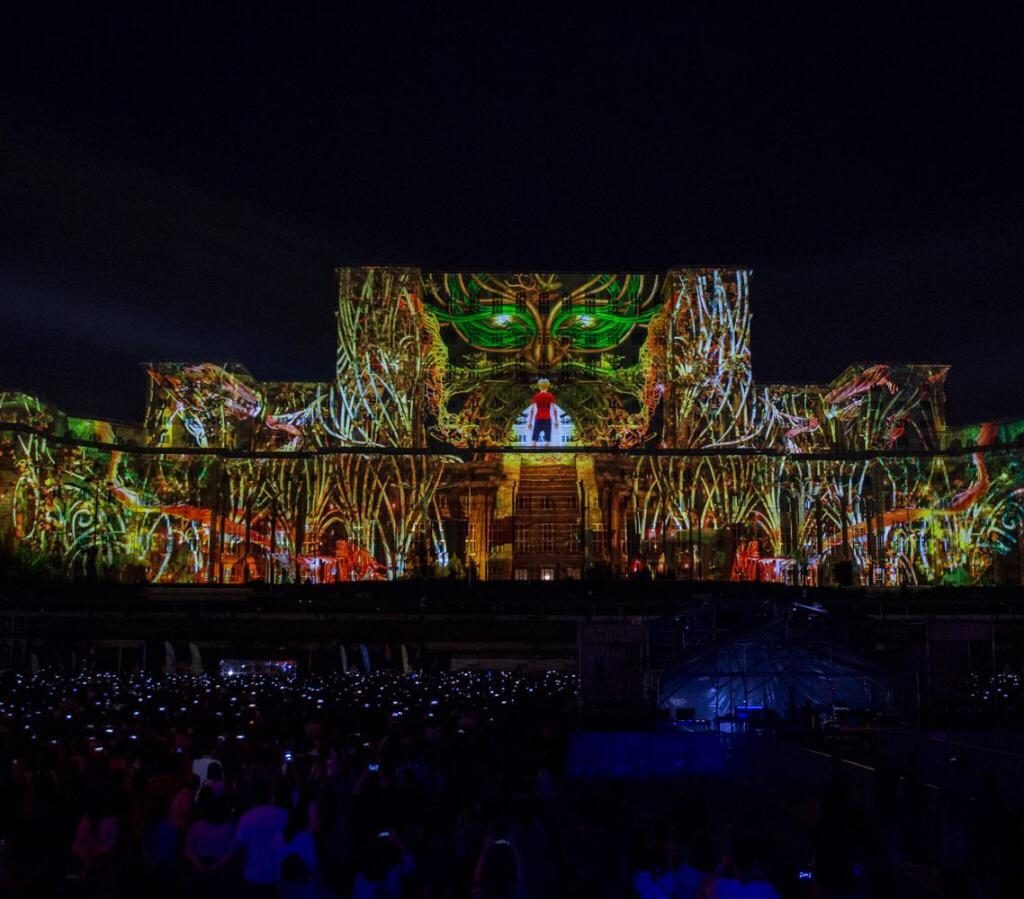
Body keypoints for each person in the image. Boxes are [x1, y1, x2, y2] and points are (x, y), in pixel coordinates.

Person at [235, 777, 290, 897]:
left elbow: (240, 848)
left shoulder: (246, 818)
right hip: (275, 875)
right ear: (270, 795)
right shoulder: (283, 815)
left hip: (252, 875)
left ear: (253, 796)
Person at [526, 379, 558, 447]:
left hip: (538, 417)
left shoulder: (536, 396)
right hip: (547, 418)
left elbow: (532, 410)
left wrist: (530, 422)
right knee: (548, 436)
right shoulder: (550, 396)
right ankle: (547, 444)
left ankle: (534, 444)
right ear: (548, 387)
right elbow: (555, 409)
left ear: (539, 387)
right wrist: (556, 421)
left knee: (535, 435)